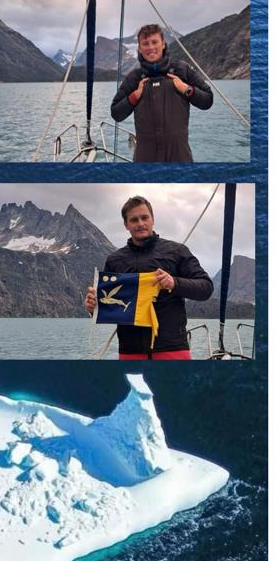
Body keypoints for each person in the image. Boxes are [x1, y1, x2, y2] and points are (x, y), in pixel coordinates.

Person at [84, 196, 213, 360]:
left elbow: (206, 288)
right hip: (130, 351)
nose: (140, 223)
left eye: (144, 217)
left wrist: (175, 283)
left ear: (152, 219)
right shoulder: (114, 260)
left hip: (172, 348)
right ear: (126, 225)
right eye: (134, 220)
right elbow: (110, 304)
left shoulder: (177, 251)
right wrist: (93, 307)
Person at [110, 24, 213, 162]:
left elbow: (207, 100)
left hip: (179, 156)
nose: (151, 47)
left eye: (154, 42)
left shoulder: (182, 69)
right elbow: (116, 113)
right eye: (145, 44)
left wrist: (186, 89)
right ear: (140, 48)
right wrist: (134, 96)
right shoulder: (134, 78)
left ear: (163, 44)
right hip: (145, 157)